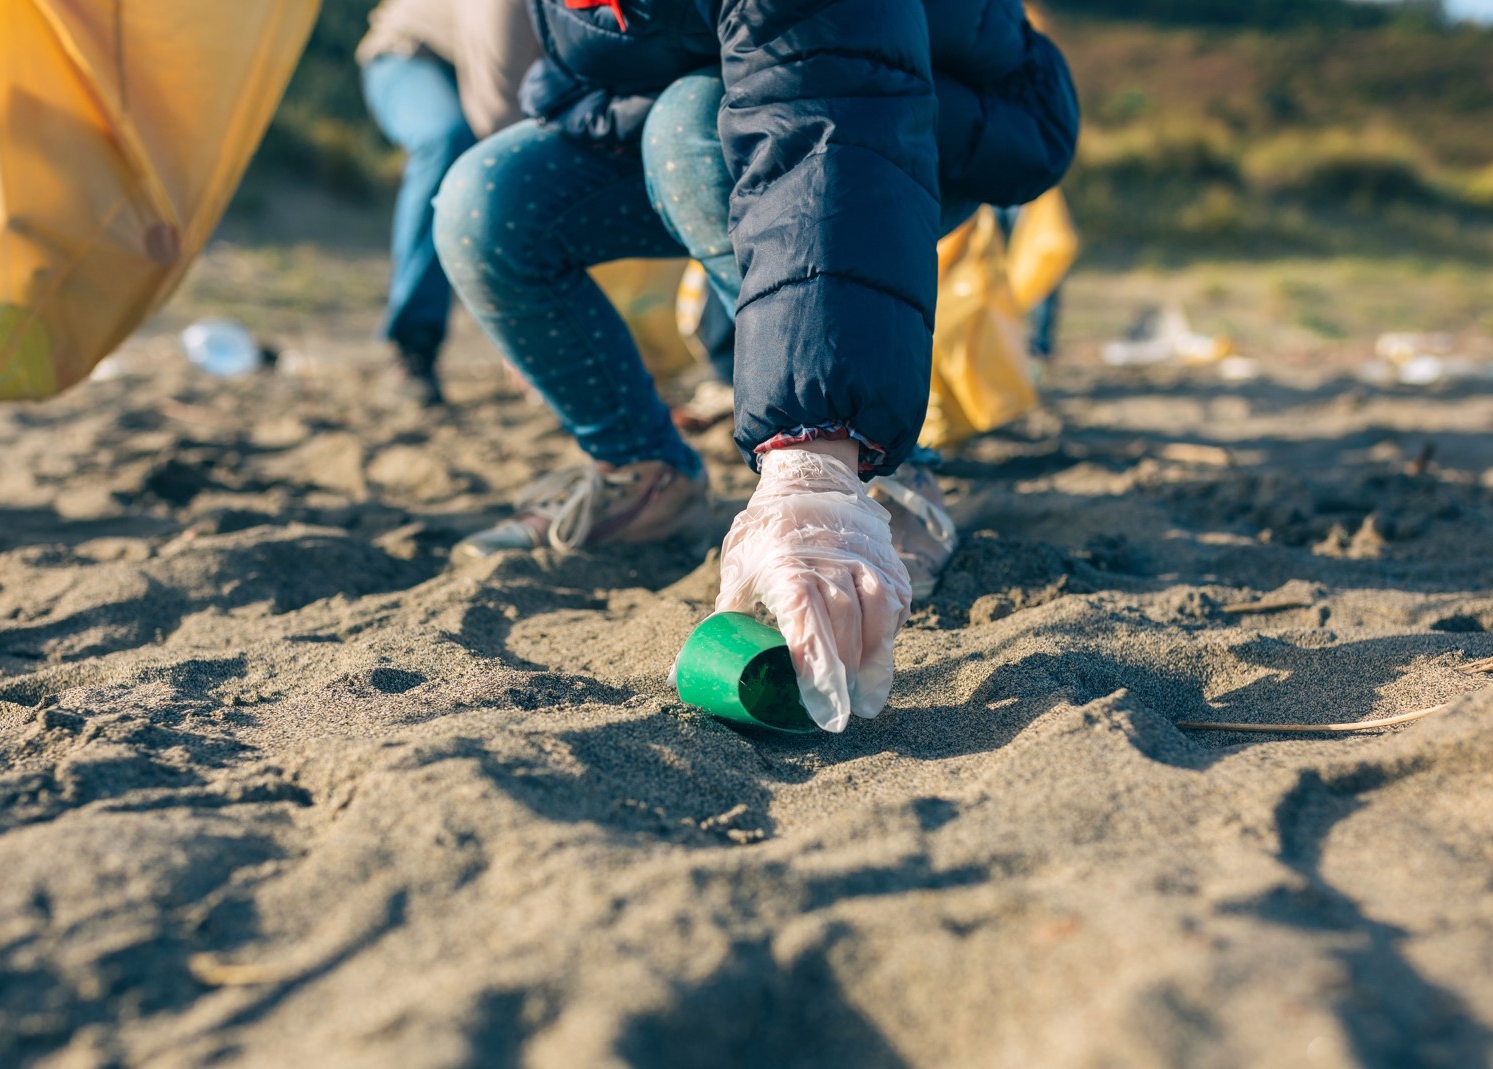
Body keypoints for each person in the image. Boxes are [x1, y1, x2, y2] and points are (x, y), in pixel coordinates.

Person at [433, 0, 1078, 731]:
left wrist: (817, 464)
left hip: (905, 113)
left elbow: (825, 120)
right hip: (718, 101)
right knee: (484, 200)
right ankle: (645, 477)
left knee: (689, 124)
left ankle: (880, 476)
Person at [356, 0, 541, 404]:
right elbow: (501, 124)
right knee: (448, 139)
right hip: (409, 56)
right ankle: (413, 347)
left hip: (495, 75)